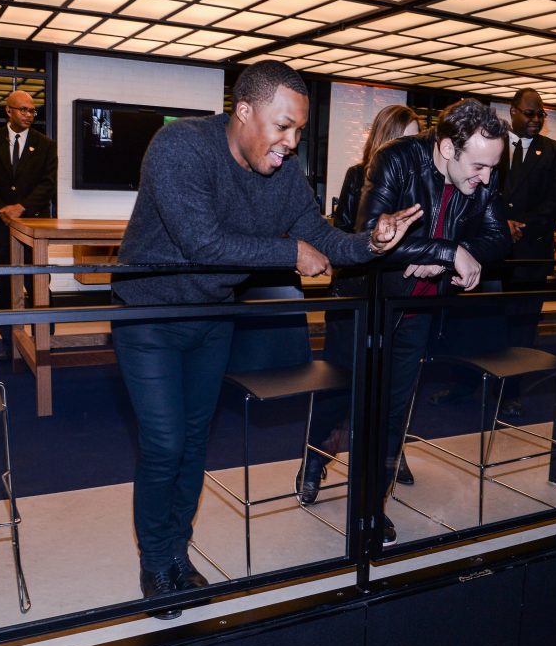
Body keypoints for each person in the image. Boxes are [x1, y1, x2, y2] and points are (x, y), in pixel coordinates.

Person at [110, 60, 421, 617]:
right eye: (282, 126)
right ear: (244, 111)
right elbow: (201, 242)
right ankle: (156, 562)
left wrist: (373, 242)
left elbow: (322, 238)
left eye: (299, 130)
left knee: (195, 439)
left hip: (211, 316)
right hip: (148, 316)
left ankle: (177, 554)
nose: (290, 142)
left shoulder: (282, 174)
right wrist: (288, 254)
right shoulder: (180, 147)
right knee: (164, 443)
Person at [298, 99, 512, 546]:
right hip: (365, 304)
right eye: (479, 167)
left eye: (492, 168)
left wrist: (444, 258)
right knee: (341, 397)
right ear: (449, 148)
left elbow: (497, 237)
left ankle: (370, 507)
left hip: (415, 312)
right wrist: (447, 252)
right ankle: (314, 462)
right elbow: (371, 238)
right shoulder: (395, 160)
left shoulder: (483, 169)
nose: (487, 179)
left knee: (393, 412)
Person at [298, 105, 422, 501]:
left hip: (400, 303)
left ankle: (388, 456)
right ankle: (315, 461)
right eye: (406, 137)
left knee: (393, 393)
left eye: (418, 138)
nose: (413, 146)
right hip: (355, 299)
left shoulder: (427, 185)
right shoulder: (359, 176)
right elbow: (347, 237)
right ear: (385, 139)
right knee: (340, 389)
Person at [428, 88, 556, 417]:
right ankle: (464, 383)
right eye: (530, 113)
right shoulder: (492, 145)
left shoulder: (555, 153)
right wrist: (499, 225)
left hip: (529, 254)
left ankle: (510, 393)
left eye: (541, 115)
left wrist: (519, 226)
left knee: (521, 329)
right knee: (474, 325)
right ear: (513, 112)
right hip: (488, 254)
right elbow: (472, 190)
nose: (536, 120)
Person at [0, 90, 57, 359]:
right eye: (23, 110)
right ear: (8, 111)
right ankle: (11, 346)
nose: (29, 115)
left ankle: (44, 342)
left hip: (34, 226)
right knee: (5, 286)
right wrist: (2, 211)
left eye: (32, 111)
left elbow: (48, 184)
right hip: (0, 226)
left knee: (38, 284)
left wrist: (21, 207)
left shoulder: (45, 144)